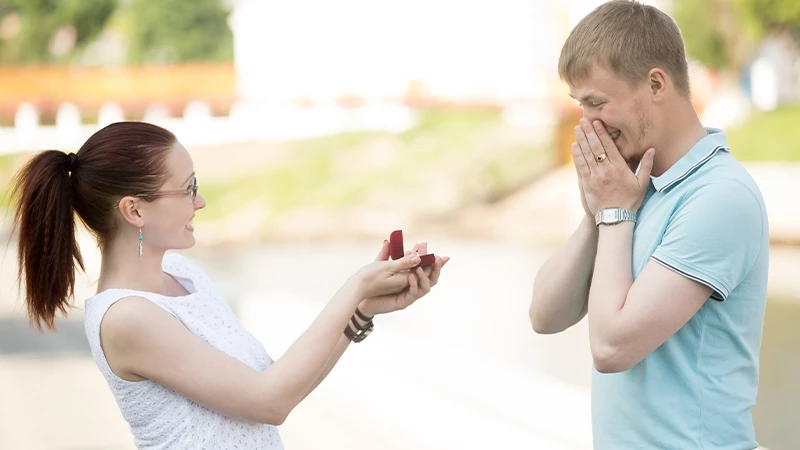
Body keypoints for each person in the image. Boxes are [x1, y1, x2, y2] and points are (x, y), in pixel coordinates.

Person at [10, 121, 449, 449]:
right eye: (187, 189)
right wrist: (351, 288)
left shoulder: (185, 275)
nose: (199, 201)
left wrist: (363, 308)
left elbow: (278, 380)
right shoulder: (126, 317)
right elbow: (269, 401)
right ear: (134, 211)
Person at [528, 1, 768, 449]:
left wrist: (616, 213)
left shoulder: (719, 196)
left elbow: (612, 348)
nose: (587, 123)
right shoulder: (637, 187)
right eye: (581, 105)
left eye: (597, 103)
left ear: (656, 83)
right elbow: (544, 315)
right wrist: (597, 213)